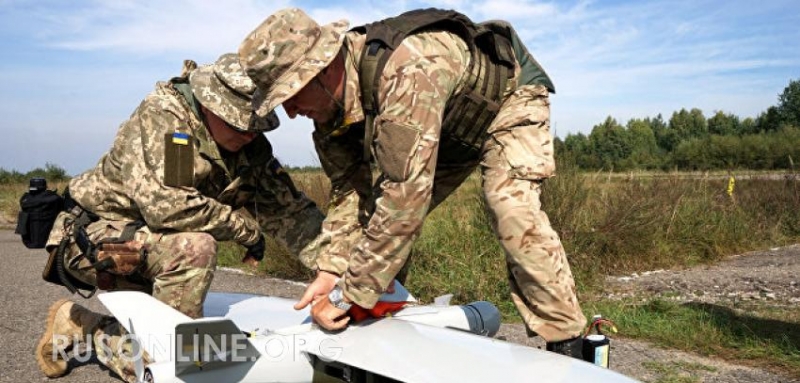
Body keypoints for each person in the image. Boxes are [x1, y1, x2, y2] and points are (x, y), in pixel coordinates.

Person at [238, 8, 587, 358]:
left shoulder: (408, 69)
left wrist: (347, 295)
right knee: (374, 225)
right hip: (447, 129)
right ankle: (379, 331)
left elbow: (404, 201)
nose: (291, 112)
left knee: (511, 209)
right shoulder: (330, 117)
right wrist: (332, 271)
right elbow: (350, 194)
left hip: (507, 102)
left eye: (292, 94)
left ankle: (568, 342)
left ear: (325, 69)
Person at [35, 53, 325, 382]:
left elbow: (291, 210)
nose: (250, 134)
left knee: (188, 319)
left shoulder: (248, 144)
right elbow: (169, 206)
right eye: (240, 124)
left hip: (147, 245)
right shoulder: (167, 118)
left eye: (257, 125)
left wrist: (340, 268)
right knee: (194, 253)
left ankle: (112, 332)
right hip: (91, 240)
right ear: (210, 105)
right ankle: (111, 340)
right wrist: (244, 229)